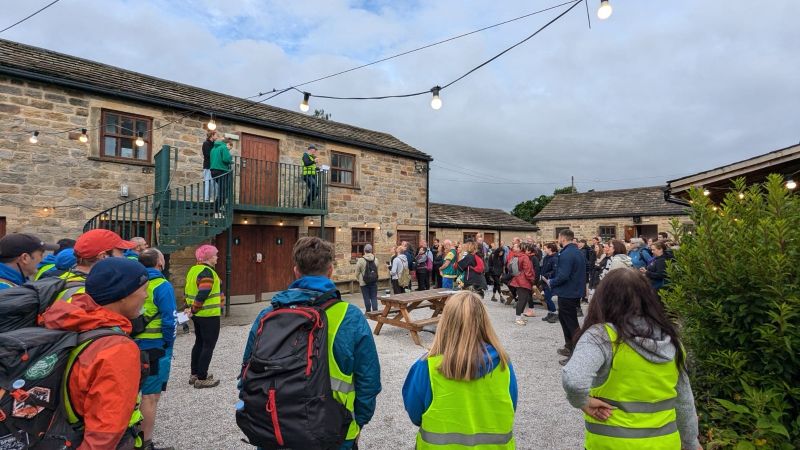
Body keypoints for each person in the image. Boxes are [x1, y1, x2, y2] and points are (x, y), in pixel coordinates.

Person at [241, 237, 381, 449]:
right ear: (331, 271)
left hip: (273, 428)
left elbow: (246, 372)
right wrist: (359, 422)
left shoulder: (267, 315)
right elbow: (368, 380)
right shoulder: (349, 316)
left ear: (296, 271)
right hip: (333, 430)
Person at [562, 269, 700, 450]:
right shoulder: (671, 341)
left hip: (612, 444)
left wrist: (582, 402)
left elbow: (574, 379)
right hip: (665, 443)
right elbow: (684, 402)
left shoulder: (602, 336)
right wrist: (691, 443)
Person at [41, 257, 149, 450]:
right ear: (124, 294)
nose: (146, 296)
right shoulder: (117, 348)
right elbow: (106, 430)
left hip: (59, 430)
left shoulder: (74, 317)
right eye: (143, 290)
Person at [402, 291, 517, 449]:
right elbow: (511, 407)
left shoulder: (426, 367)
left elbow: (415, 415)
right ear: (484, 322)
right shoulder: (504, 366)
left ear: (446, 322)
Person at [134, 248, 177, 450]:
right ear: (160, 263)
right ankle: (145, 442)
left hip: (131, 344)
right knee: (150, 397)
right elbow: (169, 320)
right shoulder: (162, 285)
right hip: (154, 346)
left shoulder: (132, 283)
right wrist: (169, 343)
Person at [55, 229, 137, 304]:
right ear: (103, 256)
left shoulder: (63, 278)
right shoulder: (88, 296)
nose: (124, 257)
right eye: (121, 252)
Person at [185, 244, 223, 388]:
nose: (217, 257)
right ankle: (202, 377)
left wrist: (190, 309)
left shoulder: (193, 270)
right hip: (208, 314)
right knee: (208, 345)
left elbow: (188, 290)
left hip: (198, 315)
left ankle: (194, 374)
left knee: (199, 343)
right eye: (215, 255)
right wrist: (194, 309)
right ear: (209, 257)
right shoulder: (207, 272)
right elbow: (203, 293)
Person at [547, 229, 586, 365]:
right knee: (564, 319)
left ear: (562, 238)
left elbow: (564, 275)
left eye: (558, 238)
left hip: (568, 292)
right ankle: (569, 346)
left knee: (571, 323)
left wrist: (551, 282)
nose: (558, 240)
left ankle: (576, 352)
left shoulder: (567, 253)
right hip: (573, 291)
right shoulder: (576, 251)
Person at [508, 243, 535, 325]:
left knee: (523, 299)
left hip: (517, 279)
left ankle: (520, 317)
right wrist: (532, 280)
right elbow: (528, 270)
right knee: (522, 300)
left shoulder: (515, 256)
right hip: (524, 281)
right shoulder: (524, 257)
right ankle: (518, 318)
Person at [210, 137, 233, 217]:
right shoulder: (224, 147)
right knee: (224, 192)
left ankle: (217, 212)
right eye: (230, 147)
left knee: (222, 191)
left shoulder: (213, 148)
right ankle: (215, 211)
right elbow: (226, 159)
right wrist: (231, 160)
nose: (229, 150)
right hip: (221, 170)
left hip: (213, 171)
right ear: (228, 144)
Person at [355, 244, 379, 312]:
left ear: (364, 250)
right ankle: (375, 311)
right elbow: (376, 270)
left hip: (363, 282)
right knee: (374, 297)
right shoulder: (376, 259)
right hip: (374, 281)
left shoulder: (361, 260)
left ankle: (368, 311)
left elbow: (357, 272)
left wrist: (358, 279)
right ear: (371, 250)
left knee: (366, 297)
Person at [539, 243, 559, 323]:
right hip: (544, 280)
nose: (544, 250)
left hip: (550, 281)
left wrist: (546, 276)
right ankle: (550, 313)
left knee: (549, 298)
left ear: (550, 249)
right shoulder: (546, 257)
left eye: (545, 248)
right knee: (547, 298)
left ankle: (554, 313)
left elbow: (555, 271)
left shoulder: (555, 258)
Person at [202, 130, 217, 201]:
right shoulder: (206, 143)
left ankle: (212, 198)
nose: (217, 136)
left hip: (214, 167)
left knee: (213, 183)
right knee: (207, 182)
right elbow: (207, 154)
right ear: (212, 136)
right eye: (216, 135)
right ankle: (206, 199)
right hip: (208, 166)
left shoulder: (214, 144)